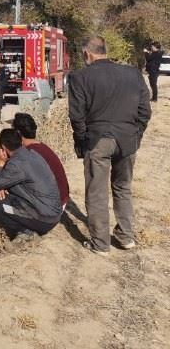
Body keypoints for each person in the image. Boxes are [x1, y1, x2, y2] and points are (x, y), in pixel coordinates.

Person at [69, 35, 151, 255]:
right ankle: (126, 237)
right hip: (127, 140)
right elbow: (145, 112)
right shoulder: (133, 73)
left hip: (97, 140)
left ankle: (100, 244)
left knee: (97, 193)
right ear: (105, 50)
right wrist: (136, 137)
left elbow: (77, 117)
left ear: (87, 53)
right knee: (123, 188)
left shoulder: (79, 77)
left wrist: (83, 142)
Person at [0, 128, 63, 242]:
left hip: (43, 219)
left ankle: (22, 231)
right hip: (53, 215)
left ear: (3, 148)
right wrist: (2, 186)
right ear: (21, 142)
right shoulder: (33, 155)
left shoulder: (16, 164)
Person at [12, 112, 70, 209]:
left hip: (51, 207)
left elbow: (6, 174)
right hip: (61, 200)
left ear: (17, 133)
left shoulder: (27, 153)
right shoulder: (41, 147)